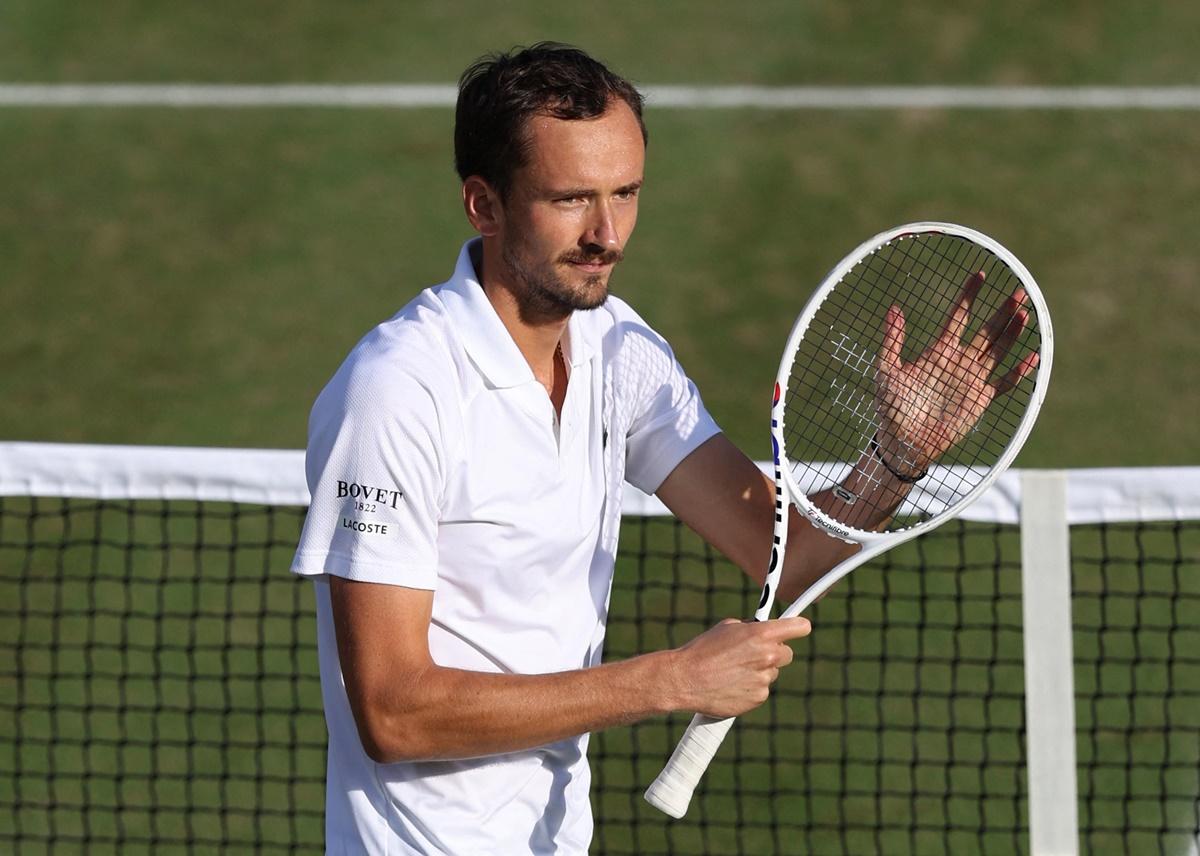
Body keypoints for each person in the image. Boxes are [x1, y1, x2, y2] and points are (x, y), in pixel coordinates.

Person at [290, 42, 1034, 855]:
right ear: (485, 205)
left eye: (627, 193)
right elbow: (394, 712)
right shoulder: (400, 389)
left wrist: (896, 454)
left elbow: (786, 556)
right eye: (572, 199)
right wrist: (672, 680)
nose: (607, 234)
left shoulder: (621, 352)